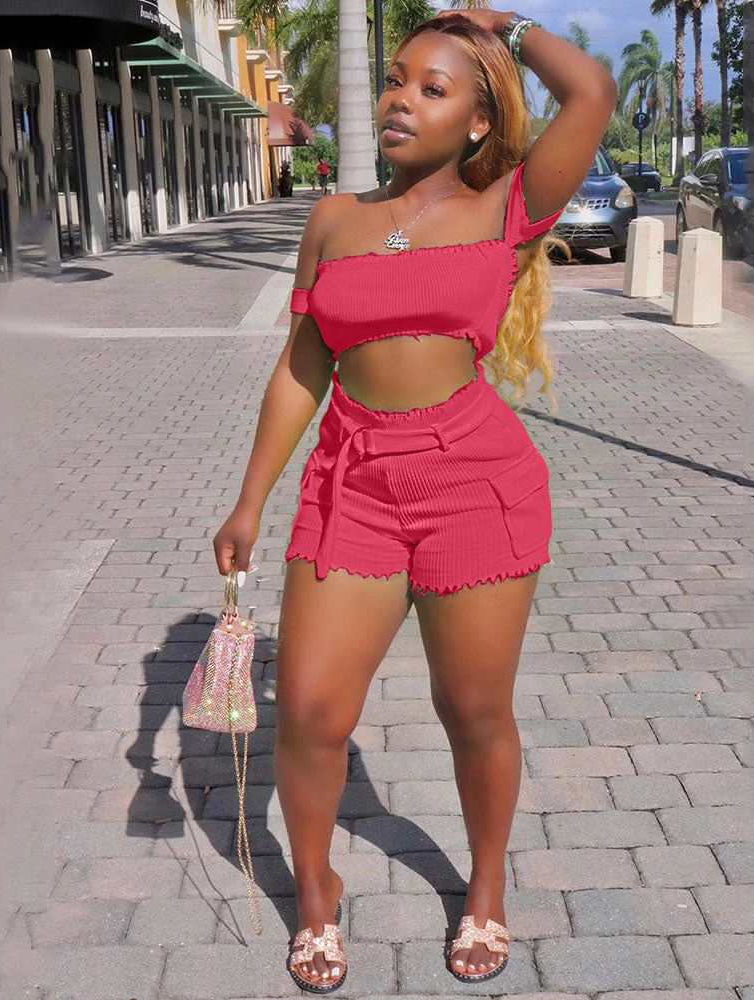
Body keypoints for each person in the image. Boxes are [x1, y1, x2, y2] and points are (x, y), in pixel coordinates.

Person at [213, 9, 615, 993]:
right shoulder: (333, 220)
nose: (400, 99)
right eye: (396, 79)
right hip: (351, 482)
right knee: (310, 711)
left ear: (477, 123)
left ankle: (485, 884)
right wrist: (249, 500)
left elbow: (590, 93)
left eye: (432, 88)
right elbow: (303, 365)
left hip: (473, 482)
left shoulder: (508, 205)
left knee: (470, 707)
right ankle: (316, 893)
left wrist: (505, 26)